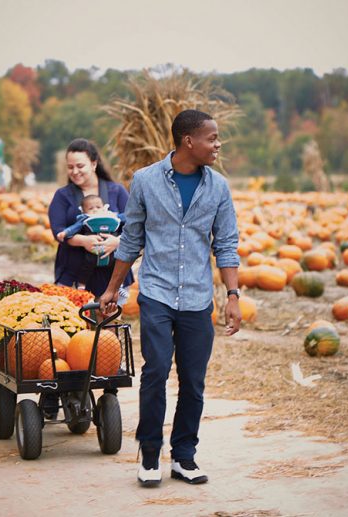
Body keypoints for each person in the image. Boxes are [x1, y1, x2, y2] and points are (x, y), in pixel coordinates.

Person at [100, 109, 241, 487]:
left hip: (197, 299)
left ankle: (184, 456)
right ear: (187, 141)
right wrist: (113, 288)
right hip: (157, 294)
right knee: (156, 372)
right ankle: (149, 455)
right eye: (212, 138)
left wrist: (232, 294)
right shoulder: (145, 181)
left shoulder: (219, 188)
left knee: (194, 381)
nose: (217, 144)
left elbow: (226, 245)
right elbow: (131, 239)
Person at [48, 138, 134, 297]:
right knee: (73, 320)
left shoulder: (117, 191)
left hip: (113, 274)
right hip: (74, 274)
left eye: (80, 166)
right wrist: (82, 241)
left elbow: (134, 224)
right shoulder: (62, 195)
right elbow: (58, 232)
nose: (75, 171)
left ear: (94, 164)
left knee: (108, 320)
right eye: (70, 167)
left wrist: (117, 242)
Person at [56, 193, 127, 292]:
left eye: (98, 207)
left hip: (112, 250)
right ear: (84, 211)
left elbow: (125, 217)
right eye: (90, 208)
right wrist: (65, 233)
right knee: (87, 265)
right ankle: (82, 284)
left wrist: (134, 214)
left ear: (104, 207)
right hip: (93, 250)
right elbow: (75, 227)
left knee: (116, 265)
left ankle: (119, 285)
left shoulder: (112, 216)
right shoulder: (85, 218)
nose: (95, 210)